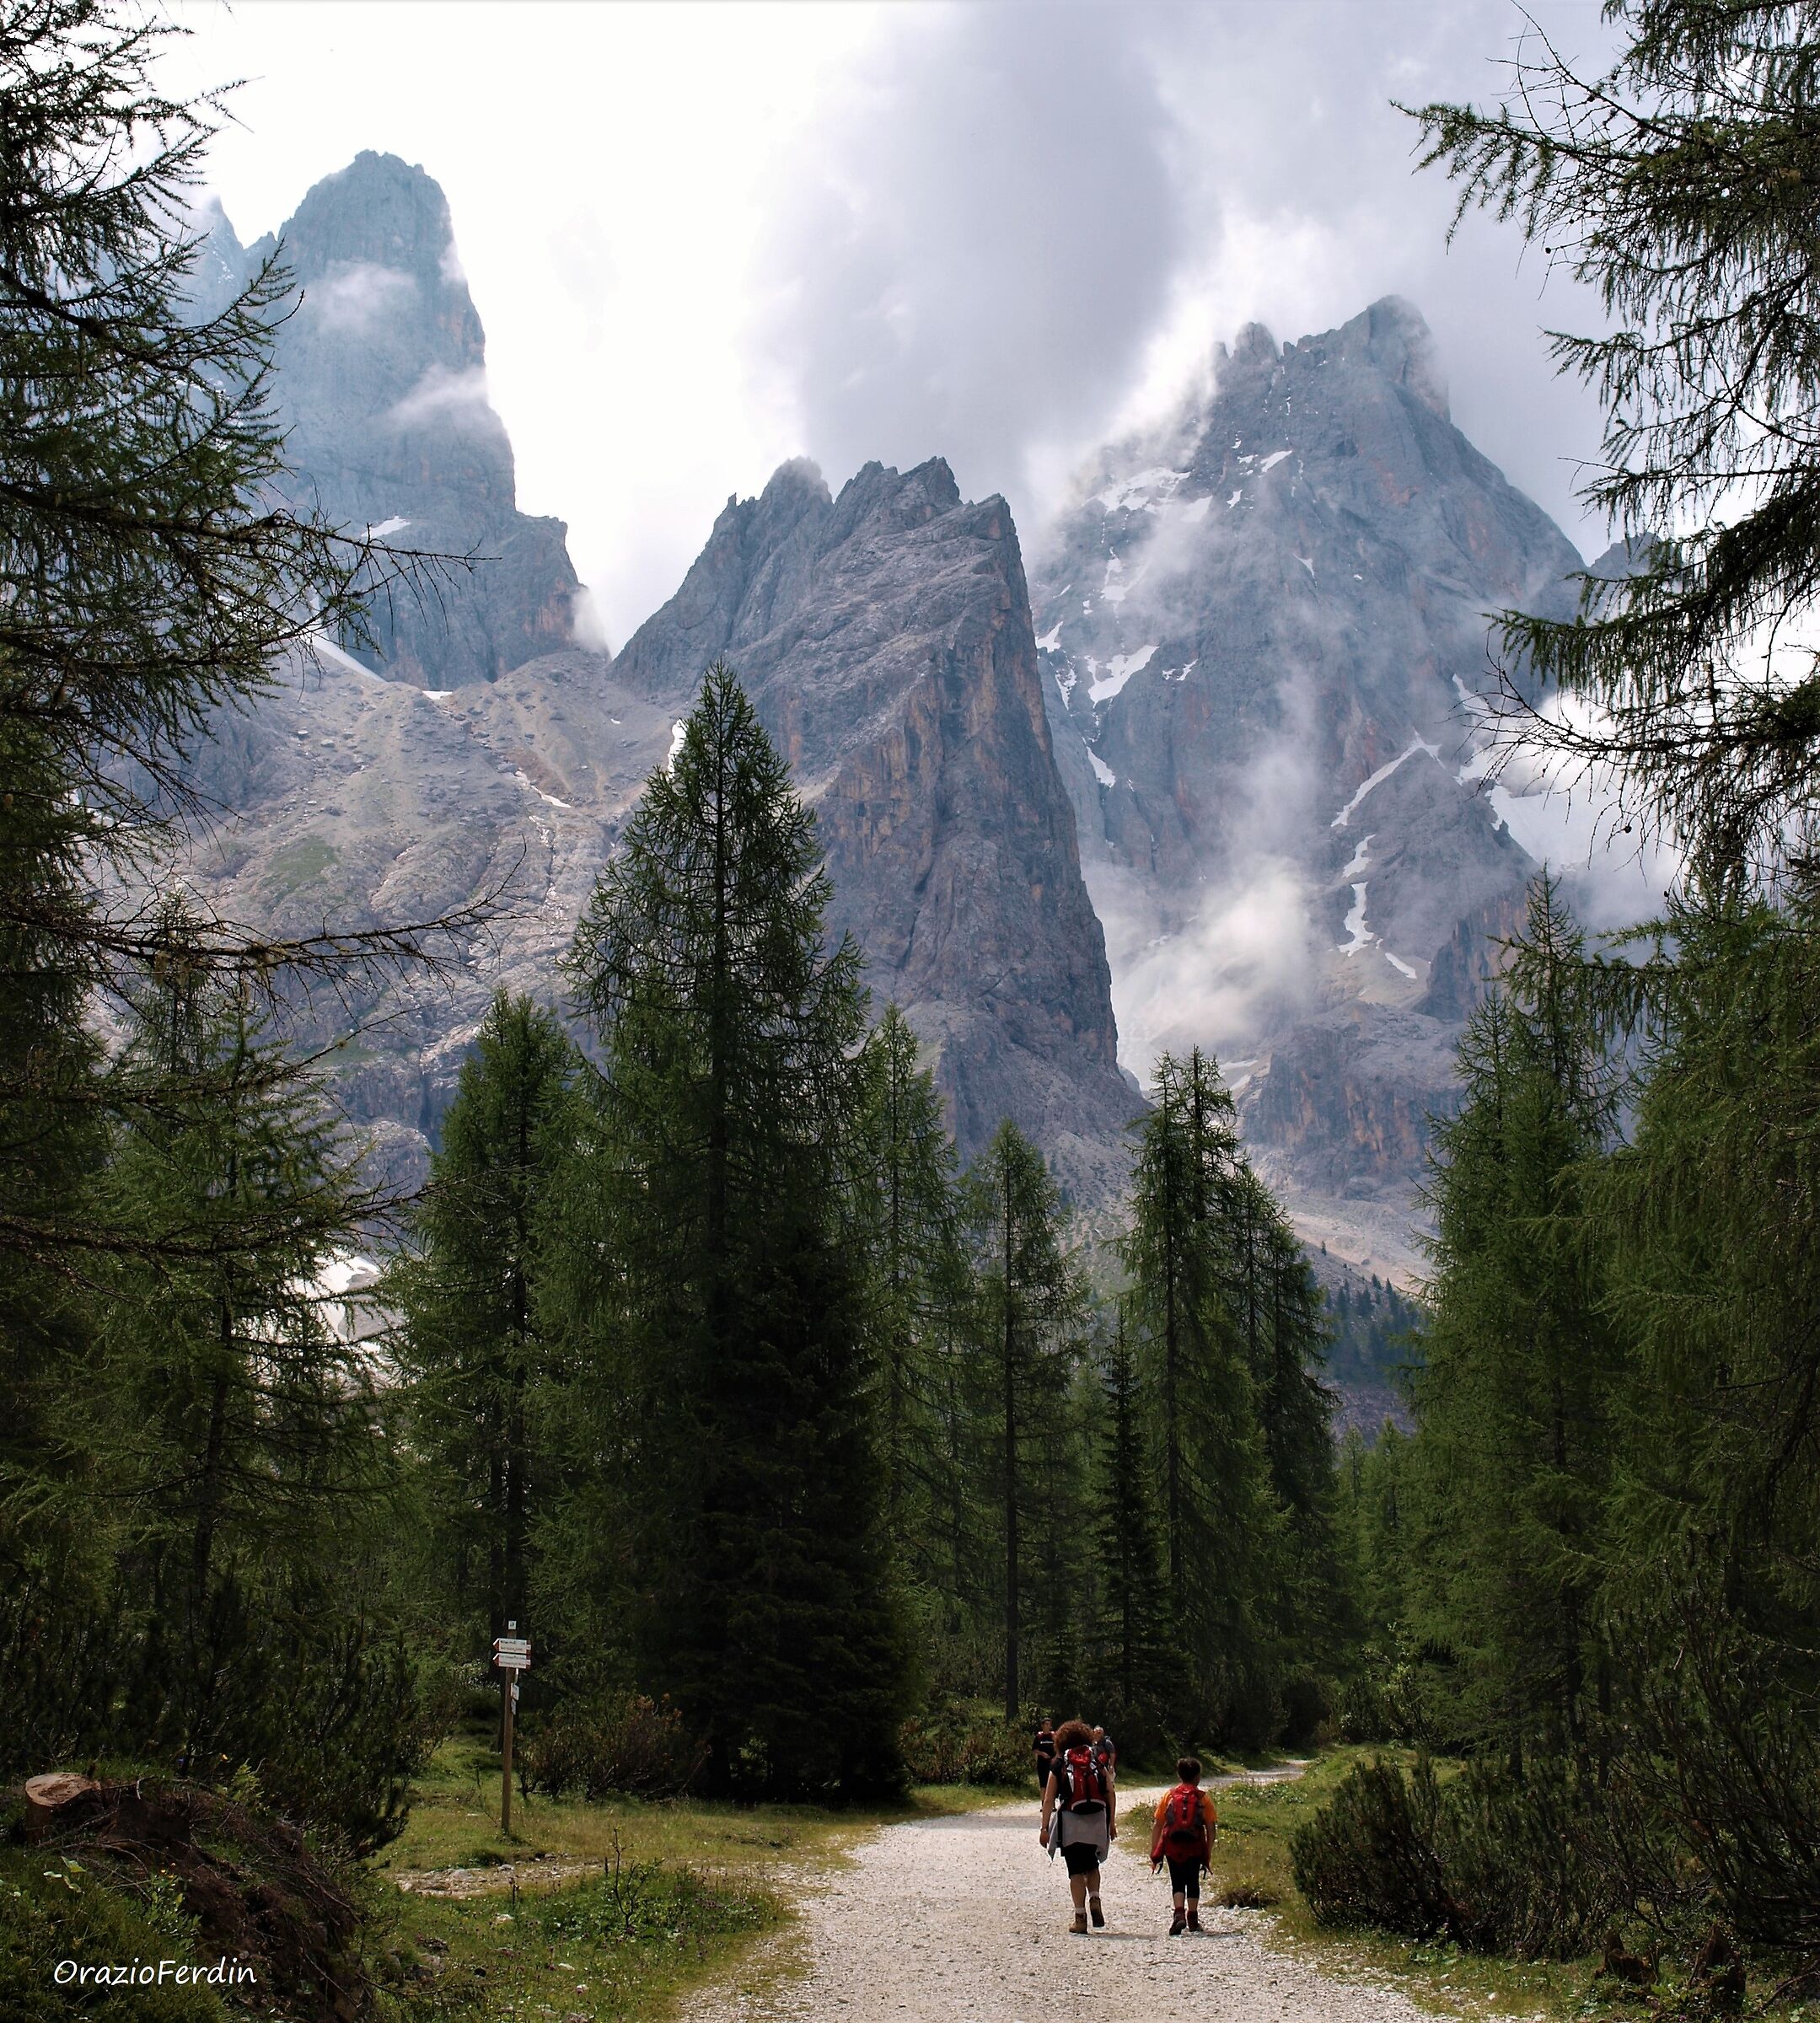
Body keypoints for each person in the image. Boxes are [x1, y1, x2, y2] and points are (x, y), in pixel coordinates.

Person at [1039, 1718, 1117, 1933]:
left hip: (1071, 1822)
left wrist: (1045, 1828)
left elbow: (1048, 1799)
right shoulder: (1096, 1761)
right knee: (1092, 1865)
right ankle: (1095, 1898)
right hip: (1096, 1820)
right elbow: (1110, 1792)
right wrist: (1111, 1823)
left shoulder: (1059, 1763)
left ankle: (1080, 1918)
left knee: (1075, 1871)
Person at [1149, 1755, 1218, 1934]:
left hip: (1172, 1846)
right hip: (1195, 1847)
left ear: (1179, 1775)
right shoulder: (1203, 1799)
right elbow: (1211, 1828)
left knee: (1177, 1880)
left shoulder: (1169, 1796)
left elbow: (1158, 1824)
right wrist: (1207, 1851)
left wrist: (1154, 1848)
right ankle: (1193, 1918)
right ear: (1198, 1777)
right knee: (1192, 1880)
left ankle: (1179, 1914)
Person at [1033, 1715, 1057, 1794]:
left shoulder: (1053, 1736)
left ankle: (1052, 1802)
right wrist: (1042, 1754)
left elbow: (1058, 1748)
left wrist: (1056, 1758)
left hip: (1052, 1764)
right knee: (1043, 1785)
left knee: (1052, 1784)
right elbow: (1034, 1750)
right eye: (1046, 1724)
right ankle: (1043, 1803)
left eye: (1049, 1724)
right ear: (1042, 1725)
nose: (1048, 1726)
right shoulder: (1039, 1737)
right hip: (1042, 1764)